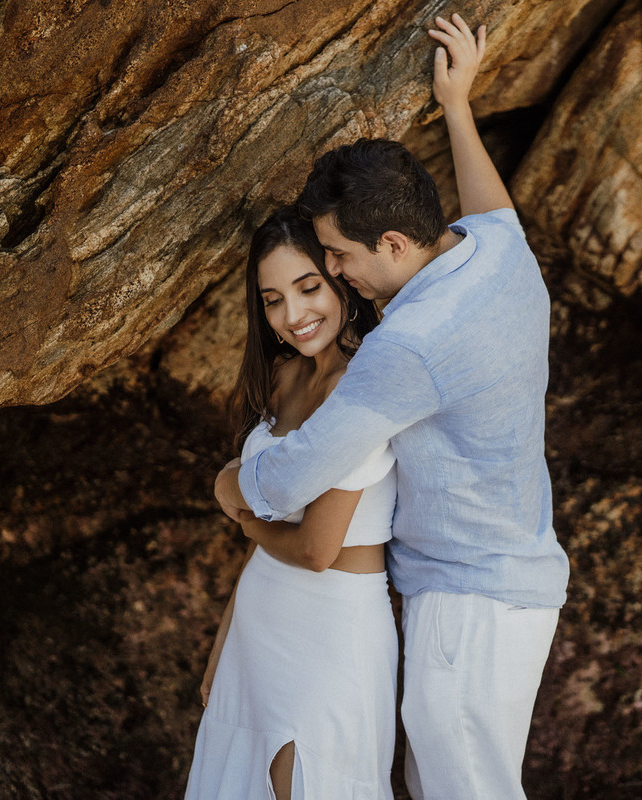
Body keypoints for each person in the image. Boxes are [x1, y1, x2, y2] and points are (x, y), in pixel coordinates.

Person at [214, 13, 571, 800]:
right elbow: (491, 207)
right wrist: (457, 104)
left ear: (396, 245)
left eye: (339, 257)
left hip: (467, 603)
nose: (337, 273)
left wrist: (233, 490)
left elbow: (292, 479)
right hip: (513, 581)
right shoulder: (497, 253)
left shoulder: (407, 345)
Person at [184, 204, 398, 799]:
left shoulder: (362, 386)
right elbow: (268, 551)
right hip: (259, 615)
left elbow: (313, 551)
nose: (293, 315)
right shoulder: (282, 376)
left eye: (308, 288)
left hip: (333, 628)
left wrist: (243, 514)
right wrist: (224, 643)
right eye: (273, 299)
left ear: (341, 279)